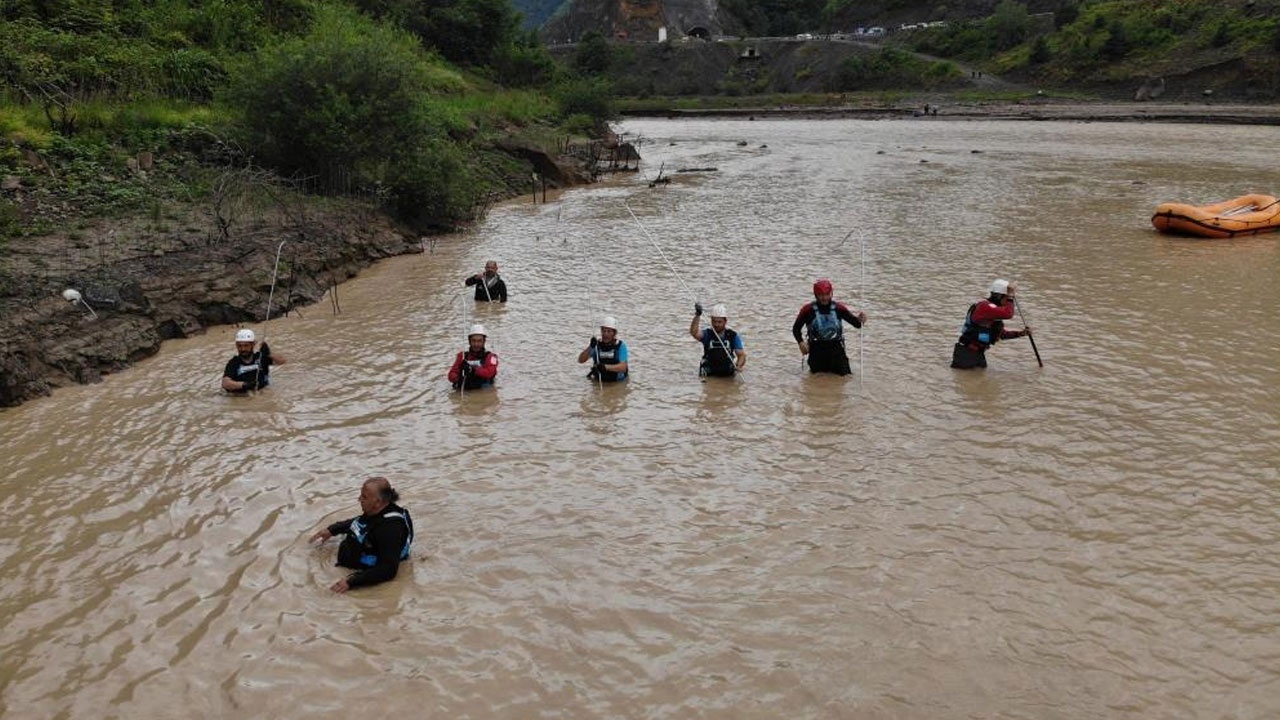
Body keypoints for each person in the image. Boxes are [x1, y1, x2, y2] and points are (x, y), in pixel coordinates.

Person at [308, 476, 414, 593]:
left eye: (364, 497)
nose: (359, 499)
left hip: (359, 573)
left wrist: (351, 582)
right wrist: (332, 530)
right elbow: (361, 522)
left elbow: (388, 570)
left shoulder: (390, 529)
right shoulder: (376, 511)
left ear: (378, 502)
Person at [951, 278, 1034, 369]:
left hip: (977, 354)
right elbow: (1008, 314)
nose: (1007, 302)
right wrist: (1010, 295)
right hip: (966, 355)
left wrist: (1021, 333)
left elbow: (1001, 334)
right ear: (999, 297)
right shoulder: (985, 307)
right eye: (1006, 298)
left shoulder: (992, 313)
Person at [791, 279, 866, 375]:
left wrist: (861, 319)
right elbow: (796, 329)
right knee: (817, 380)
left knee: (845, 378)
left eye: (827, 294)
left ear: (831, 293)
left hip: (837, 350)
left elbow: (857, 324)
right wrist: (801, 343)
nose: (825, 298)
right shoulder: (807, 310)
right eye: (821, 295)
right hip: (816, 350)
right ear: (816, 295)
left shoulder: (839, 308)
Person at [689, 303, 746, 377]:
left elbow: (741, 355)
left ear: (725, 321)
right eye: (714, 321)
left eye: (719, 322)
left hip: (727, 373)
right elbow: (694, 333)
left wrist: (738, 366)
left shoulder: (732, 336)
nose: (716, 324)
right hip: (708, 372)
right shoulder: (707, 334)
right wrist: (697, 315)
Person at [221, 328, 286, 393]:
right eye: (239, 346)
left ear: (253, 344)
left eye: (246, 345)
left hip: (263, 392)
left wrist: (269, 354)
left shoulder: (261, 357)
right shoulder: (233, 362)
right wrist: (245, 385)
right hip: (243, 397)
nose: (243, 349)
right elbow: (225, 383)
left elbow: (282, 361)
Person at [448, 323, 499, 390]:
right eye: (473, 341)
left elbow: (490, 372)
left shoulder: (492, 357)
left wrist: (473, 370)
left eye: (479, 341)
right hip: (465, 390)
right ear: (469, 341)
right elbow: (451, 374)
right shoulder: (462, 356)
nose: (476, 344)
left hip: (483, 390)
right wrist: (460, 378)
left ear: (484, 342)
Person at [578, 315, 629, 382]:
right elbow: (581, 360)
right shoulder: (596, 345)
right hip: (599, 381)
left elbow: (623, 367)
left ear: (614, 333)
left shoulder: (621, 346)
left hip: (617, 382)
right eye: (603, 331)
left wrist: (605, 367)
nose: (605, 334)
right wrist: (591, 347)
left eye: (608, 331)